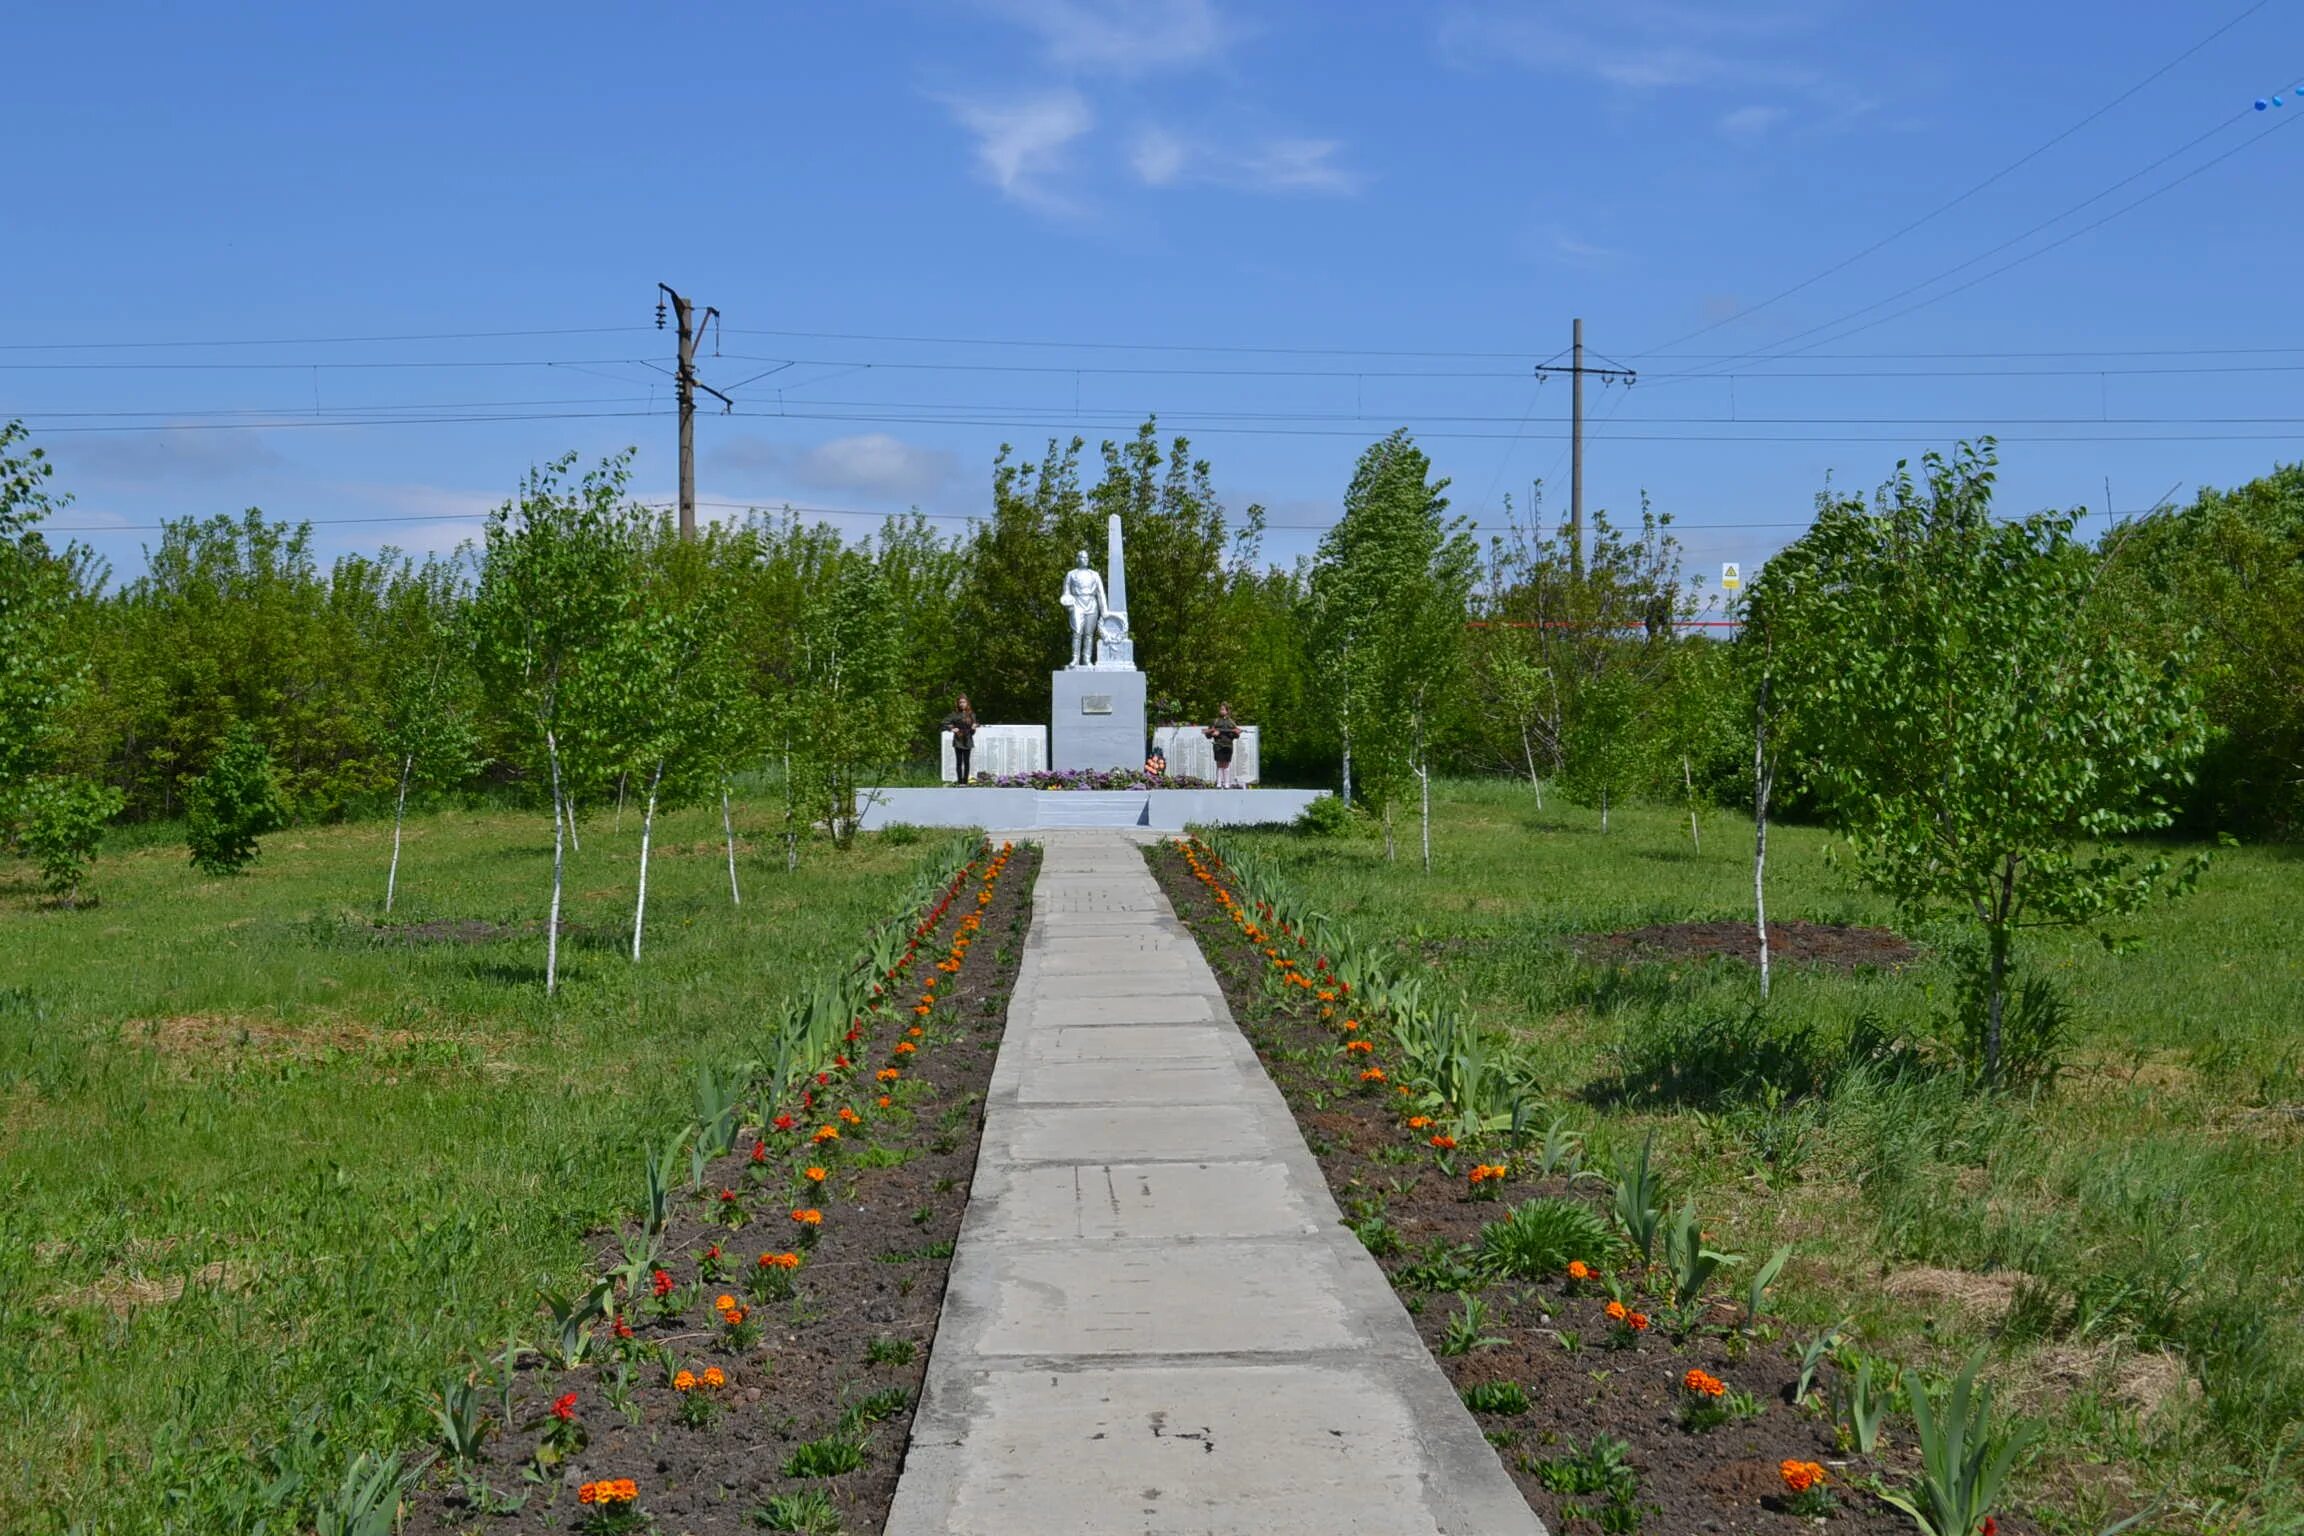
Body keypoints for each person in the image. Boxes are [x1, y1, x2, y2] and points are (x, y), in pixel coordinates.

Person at [1204, 703, 1242, 788]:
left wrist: (1235, 733)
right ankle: (1218, 783)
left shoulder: (1232, 722)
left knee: (1226, 764)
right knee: (1219, 764)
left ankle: (1227, 783)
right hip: (1218, 745)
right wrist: (1213, 734)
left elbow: (1236, 736)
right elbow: (1207, 734)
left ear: (1227, 711)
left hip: (1228, 745)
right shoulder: (1215, 721)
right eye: (1220, 709)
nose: (1221, 711)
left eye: (1223, 709)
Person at [944, 695, 978, 784]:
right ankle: (960, 782)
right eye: (960, 702)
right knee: (959, 762)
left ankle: (965, 782)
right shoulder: (954, 714)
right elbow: (944, 723)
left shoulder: (971, 714)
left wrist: (974, 728)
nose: (962, 704)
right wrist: (951, 728)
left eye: (964, 702)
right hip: (958, 740)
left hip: (968, 740)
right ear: (958, 704)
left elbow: (972, 732)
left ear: (967, 703)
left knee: (967, 762)